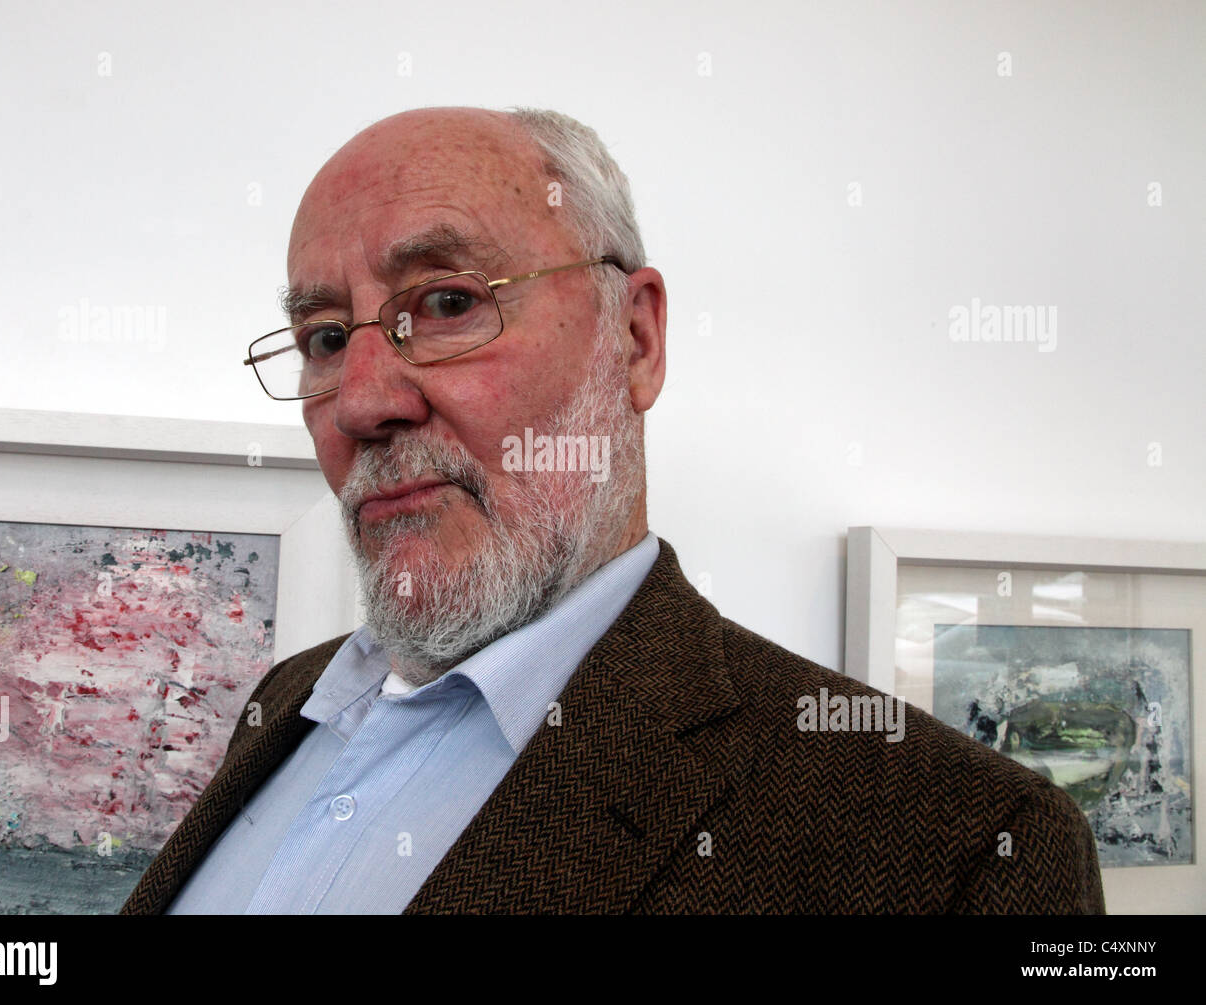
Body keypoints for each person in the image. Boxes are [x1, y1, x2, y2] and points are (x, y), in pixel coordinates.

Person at [121, 106, 1104, 914]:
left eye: (451, 303)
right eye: (327, 336)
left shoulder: (962, 847)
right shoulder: (286, 702)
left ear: (633, 339)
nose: (364, 399)